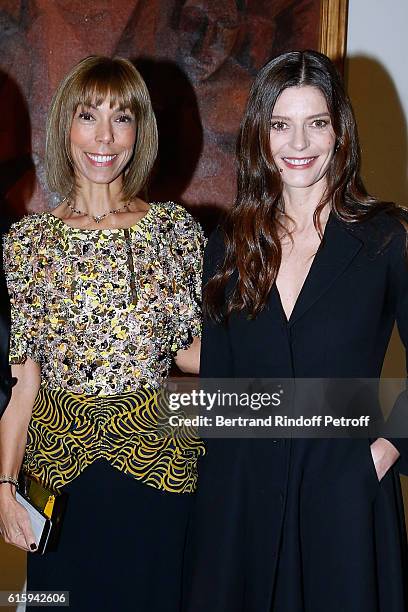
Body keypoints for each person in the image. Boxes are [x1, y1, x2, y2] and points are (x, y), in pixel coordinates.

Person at [184, 50, 408, 612]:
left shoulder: (386, 239)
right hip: (242, 503)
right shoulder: (230, 244)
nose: (299, 144)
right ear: (262, 134)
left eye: (317, 124)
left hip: (344, 501)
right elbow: (222, 392)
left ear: (340, 131)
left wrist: (383, 452)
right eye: (282, 125)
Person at [0, 55, 205, 611]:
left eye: (123, 118)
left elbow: (191, 354)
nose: (105, 137)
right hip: (60, 481)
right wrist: (3, 486)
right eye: (89, 115)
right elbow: (24, 383)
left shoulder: (173, 230)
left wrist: (293, 360)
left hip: (156, 471)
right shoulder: (28, 243)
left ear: (140, 132)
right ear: (65, 125)